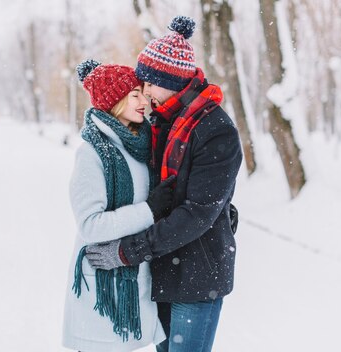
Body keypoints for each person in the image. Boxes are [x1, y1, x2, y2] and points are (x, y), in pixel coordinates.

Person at [85, 16, 243, 352]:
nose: (144, 92)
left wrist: (127, 252)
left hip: (198, 280)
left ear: (168, 80)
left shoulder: (215, 130)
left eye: (148, 84)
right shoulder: (161, 123)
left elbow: (195, 214)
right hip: (163, 273)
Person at [62, 59, 174, 352]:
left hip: (134, 276)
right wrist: (149, 211)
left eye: (142, 92)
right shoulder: (92, 154)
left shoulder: (139, 144)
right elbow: (90, 225)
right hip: (102, 287)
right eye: (134, 94)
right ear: (114, 101)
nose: (144, 101)